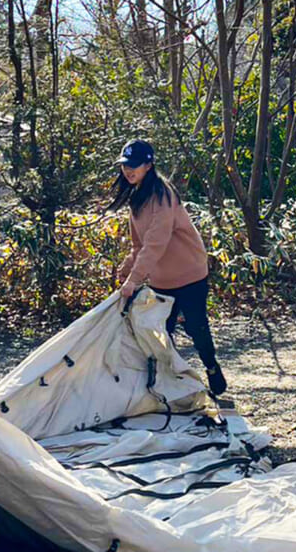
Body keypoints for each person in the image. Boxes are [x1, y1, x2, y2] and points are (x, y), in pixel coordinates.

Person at [107, 139, 227, 395]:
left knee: (196, 326)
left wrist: (134, 281)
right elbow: (139, 245)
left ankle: (212, 367)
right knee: (161, 332)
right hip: (162, 279)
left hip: (189, 272)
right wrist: (126, 269)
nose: (128, 171)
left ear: (148, 166)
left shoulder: (163, 195)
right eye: (125, 165)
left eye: (134, 166)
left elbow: (156, 242)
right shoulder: (137, 197)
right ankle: (170, 384)